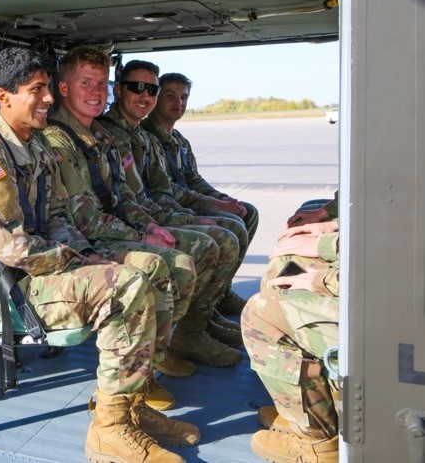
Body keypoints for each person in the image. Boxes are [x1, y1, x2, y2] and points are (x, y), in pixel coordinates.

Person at [0, 47, 198, 463]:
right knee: (128, 286)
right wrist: (79, 262)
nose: (48, 99)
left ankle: (131, 403)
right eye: (36, 90)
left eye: (47, 88)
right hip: (17, 286)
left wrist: (83, 254)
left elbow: (61, 215)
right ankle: (109, 430)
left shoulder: (37, 146)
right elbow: (10, 246)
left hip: (54, 267)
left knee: (167, 269)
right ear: (3, 96)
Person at [43, 47, 242, 374]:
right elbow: (86, 219)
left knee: (189, 251)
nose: (95, 92)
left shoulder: (100, 135)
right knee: (180, 257)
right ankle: (150, 357)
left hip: (114, 231)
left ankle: (166, 345)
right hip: (84, 243)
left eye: (99, 84)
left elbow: (126, 196)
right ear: (64, 89)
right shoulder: (58, 140)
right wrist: (141, 235)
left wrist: (150, 227)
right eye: (85, 83)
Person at [98, 60, 243, 350]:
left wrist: (196, 211)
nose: (144, 95)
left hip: (145, 217)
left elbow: (163, 191)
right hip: (122, 226)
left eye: (150, 89)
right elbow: (127, 202)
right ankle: (187, 333)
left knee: (230, 225)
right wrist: (184, 220)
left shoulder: (141, 136)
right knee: (218, 239)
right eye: (137, 87)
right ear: (120, 90)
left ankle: (200, 317)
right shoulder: (110, 135)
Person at [142, 71, 259, 316]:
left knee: (247, 212)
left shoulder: (179, 140)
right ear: (156, 98)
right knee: (230, 227)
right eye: (170, 96)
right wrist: (214, 205)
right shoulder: (147, 138)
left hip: (185, 203)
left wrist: (223, 199)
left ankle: (220, 290)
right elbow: (167, 189)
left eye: (184, 97)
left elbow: (193, 179)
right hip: (164, 208)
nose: (179, 103)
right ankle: (199, 314)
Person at [242, 218, 340, 462]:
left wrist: (324, 275)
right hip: (383, 289)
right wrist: (334, 227)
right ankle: (319, 412)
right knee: (285, 268)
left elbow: (394, 256)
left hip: (388, 310)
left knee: (262, 313)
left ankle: (320, 446)